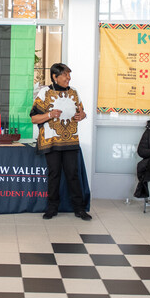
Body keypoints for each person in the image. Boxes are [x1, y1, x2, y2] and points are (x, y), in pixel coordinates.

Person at [30, 63, 90, 221]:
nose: (68, 78)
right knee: (54, 174)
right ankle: (52, 208)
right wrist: (50, 114)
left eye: (69, 75)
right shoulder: (45, 92)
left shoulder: (74, 92)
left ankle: (79, 209)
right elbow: (34, 118)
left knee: (73, 174)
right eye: (65, 75)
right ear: (55, 77)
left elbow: (82, 112)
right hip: (51, 140)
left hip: (70, 139)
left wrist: (81, 115)